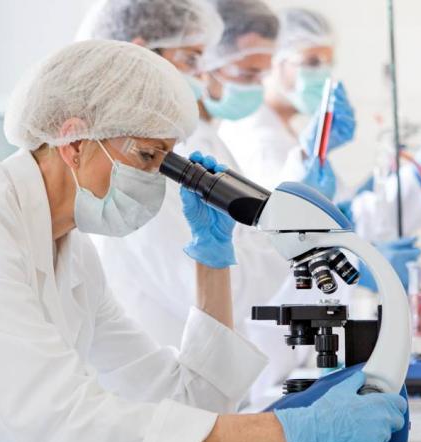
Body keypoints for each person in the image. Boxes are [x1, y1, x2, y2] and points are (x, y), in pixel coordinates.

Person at [0, 40, 407, 442]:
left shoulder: (69, 253)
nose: (158, 181)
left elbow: (187, 400)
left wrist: (213, 259)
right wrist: (287, 431)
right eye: (150, 158)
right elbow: (68, 427)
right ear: (75, 141)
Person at [80, 0, 312, 407]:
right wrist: (284, 242)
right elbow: (220, 293)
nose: (203, 74)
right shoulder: (134, 172)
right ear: (140, 54)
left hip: (195, 398)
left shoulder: (182, 148)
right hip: (159, 407)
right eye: (190, 58)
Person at [218, 7, 421, 251]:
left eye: (328, 62)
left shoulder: (287, 131)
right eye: (312, 62)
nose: (323, 73)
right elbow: (291, 234)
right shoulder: (259, 138)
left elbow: (336, 209)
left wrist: (379, 181)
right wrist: (418, 173)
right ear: (274, 62)